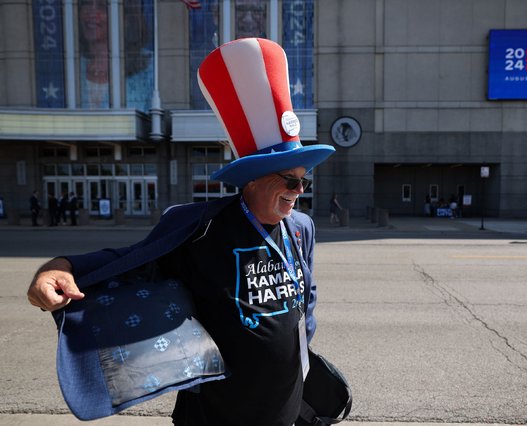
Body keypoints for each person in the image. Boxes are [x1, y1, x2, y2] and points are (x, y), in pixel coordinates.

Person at [27, 38, 335, 426]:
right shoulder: (198, 225)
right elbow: (129, 261)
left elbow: (306, 299)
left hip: (284, 411)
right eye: (290, 181)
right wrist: (60, 266)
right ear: (254, 176)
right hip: (214, 415)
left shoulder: (301, 228)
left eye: (304, 181)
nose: (300, 191)